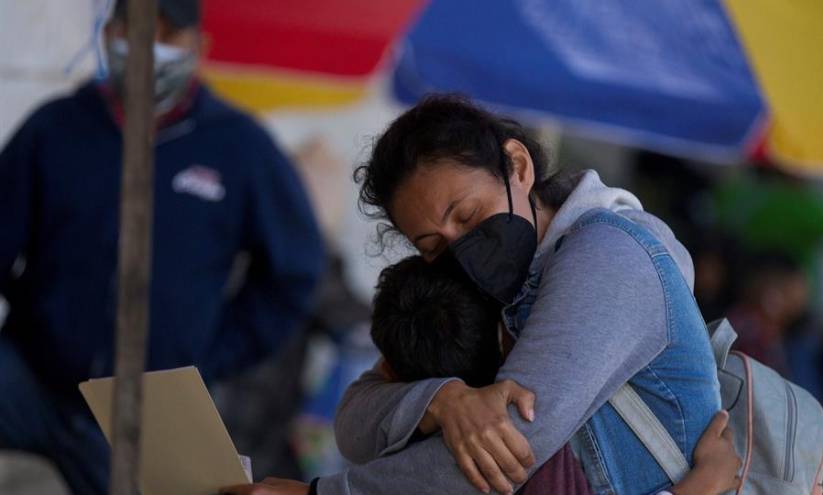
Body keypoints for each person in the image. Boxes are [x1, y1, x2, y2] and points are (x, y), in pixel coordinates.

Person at [0, 1, 324, 494]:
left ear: (200, 47)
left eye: (168, 33)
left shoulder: (241, 147)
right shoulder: (53, 128)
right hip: (30, 378)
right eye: (136, 29)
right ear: (109, 34)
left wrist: (209, 353)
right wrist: (38, 315)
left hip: (150, 411)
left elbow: (294, 273)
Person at [222, 253, 740, 495]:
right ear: (508, 332)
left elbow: (357, 424)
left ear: (387, 369)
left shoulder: (485, 463)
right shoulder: (551, 429)